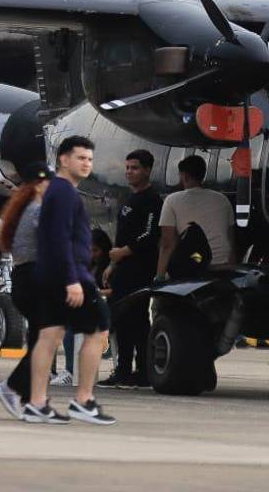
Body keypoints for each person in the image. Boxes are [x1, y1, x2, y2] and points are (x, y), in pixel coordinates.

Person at [23, 136, 115, 425]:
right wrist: (72, 280)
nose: (86, 163)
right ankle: (84, 399)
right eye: (80, 158)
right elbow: (59, 237)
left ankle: (37, 402)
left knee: (49, 336)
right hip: (69, 274)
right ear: (63, 160)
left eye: (89, 159)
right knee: (99, 329)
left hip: (52, 273)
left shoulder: (58, 192)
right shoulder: (64, 193)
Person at [0, 163, 52, 420]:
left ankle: (33, 401)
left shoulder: (25, 209)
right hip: (36, 279)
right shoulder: (38, 211)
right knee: (46, 343)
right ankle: (12, 387)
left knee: (41, 341)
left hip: (25, 280)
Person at [100, 150, 161, 389]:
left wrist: (125, 251)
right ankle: (123, 369)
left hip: (139, 268)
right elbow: (121, 234)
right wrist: (112, 264)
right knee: (121, 320)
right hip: (122, 269)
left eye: (134, 168)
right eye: (127, 168)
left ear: (147, 170)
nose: (129, 172)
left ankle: (144, 370)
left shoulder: (152, 200)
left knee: (137, 321)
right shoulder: (129, 198)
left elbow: (149, 234)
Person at [155, 155, 234, 280]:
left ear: (184, 176)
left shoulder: (172, 200)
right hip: (222, 265)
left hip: (194, 263)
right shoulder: (222, 199)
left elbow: (167, 243)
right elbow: (230, 237)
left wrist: (159, 276)